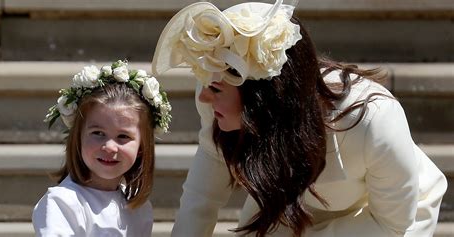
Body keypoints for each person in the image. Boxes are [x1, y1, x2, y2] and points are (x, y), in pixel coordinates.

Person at [151, 0, 447, 236]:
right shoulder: (217, 100)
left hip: (383, 217)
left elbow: (392, 225)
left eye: (215, 88)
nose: (203, 97)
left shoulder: (373, 120)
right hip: (290, 196)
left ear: (263, 96)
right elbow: (202, 196)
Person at [32, 60, 172, 236]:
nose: (109, 147)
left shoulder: (139, 209)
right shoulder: (63, 203)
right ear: (78, 138)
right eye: (98, 133)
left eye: (123, 136)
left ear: (142, 147)